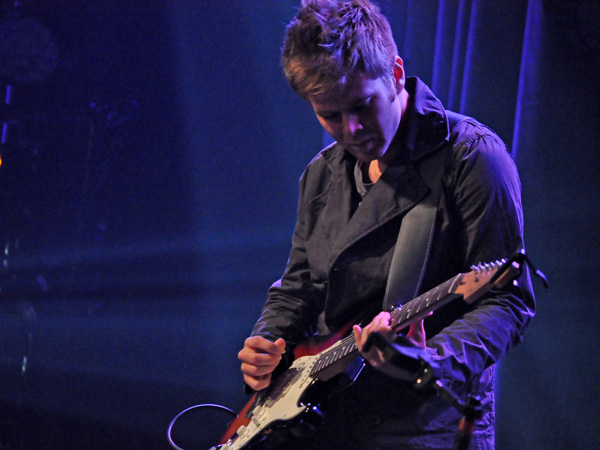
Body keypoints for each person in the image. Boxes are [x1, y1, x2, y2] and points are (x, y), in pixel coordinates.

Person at [237, 0, 535, 448]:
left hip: (426, 427)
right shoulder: (321, 175)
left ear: (395, 74)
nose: (352, 130)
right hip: (330, 423)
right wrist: (268, 343)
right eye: (330, 115)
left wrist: (430, 358)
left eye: (362, 106)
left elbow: (508, 300)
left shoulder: (471, 157)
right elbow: (298, 288)